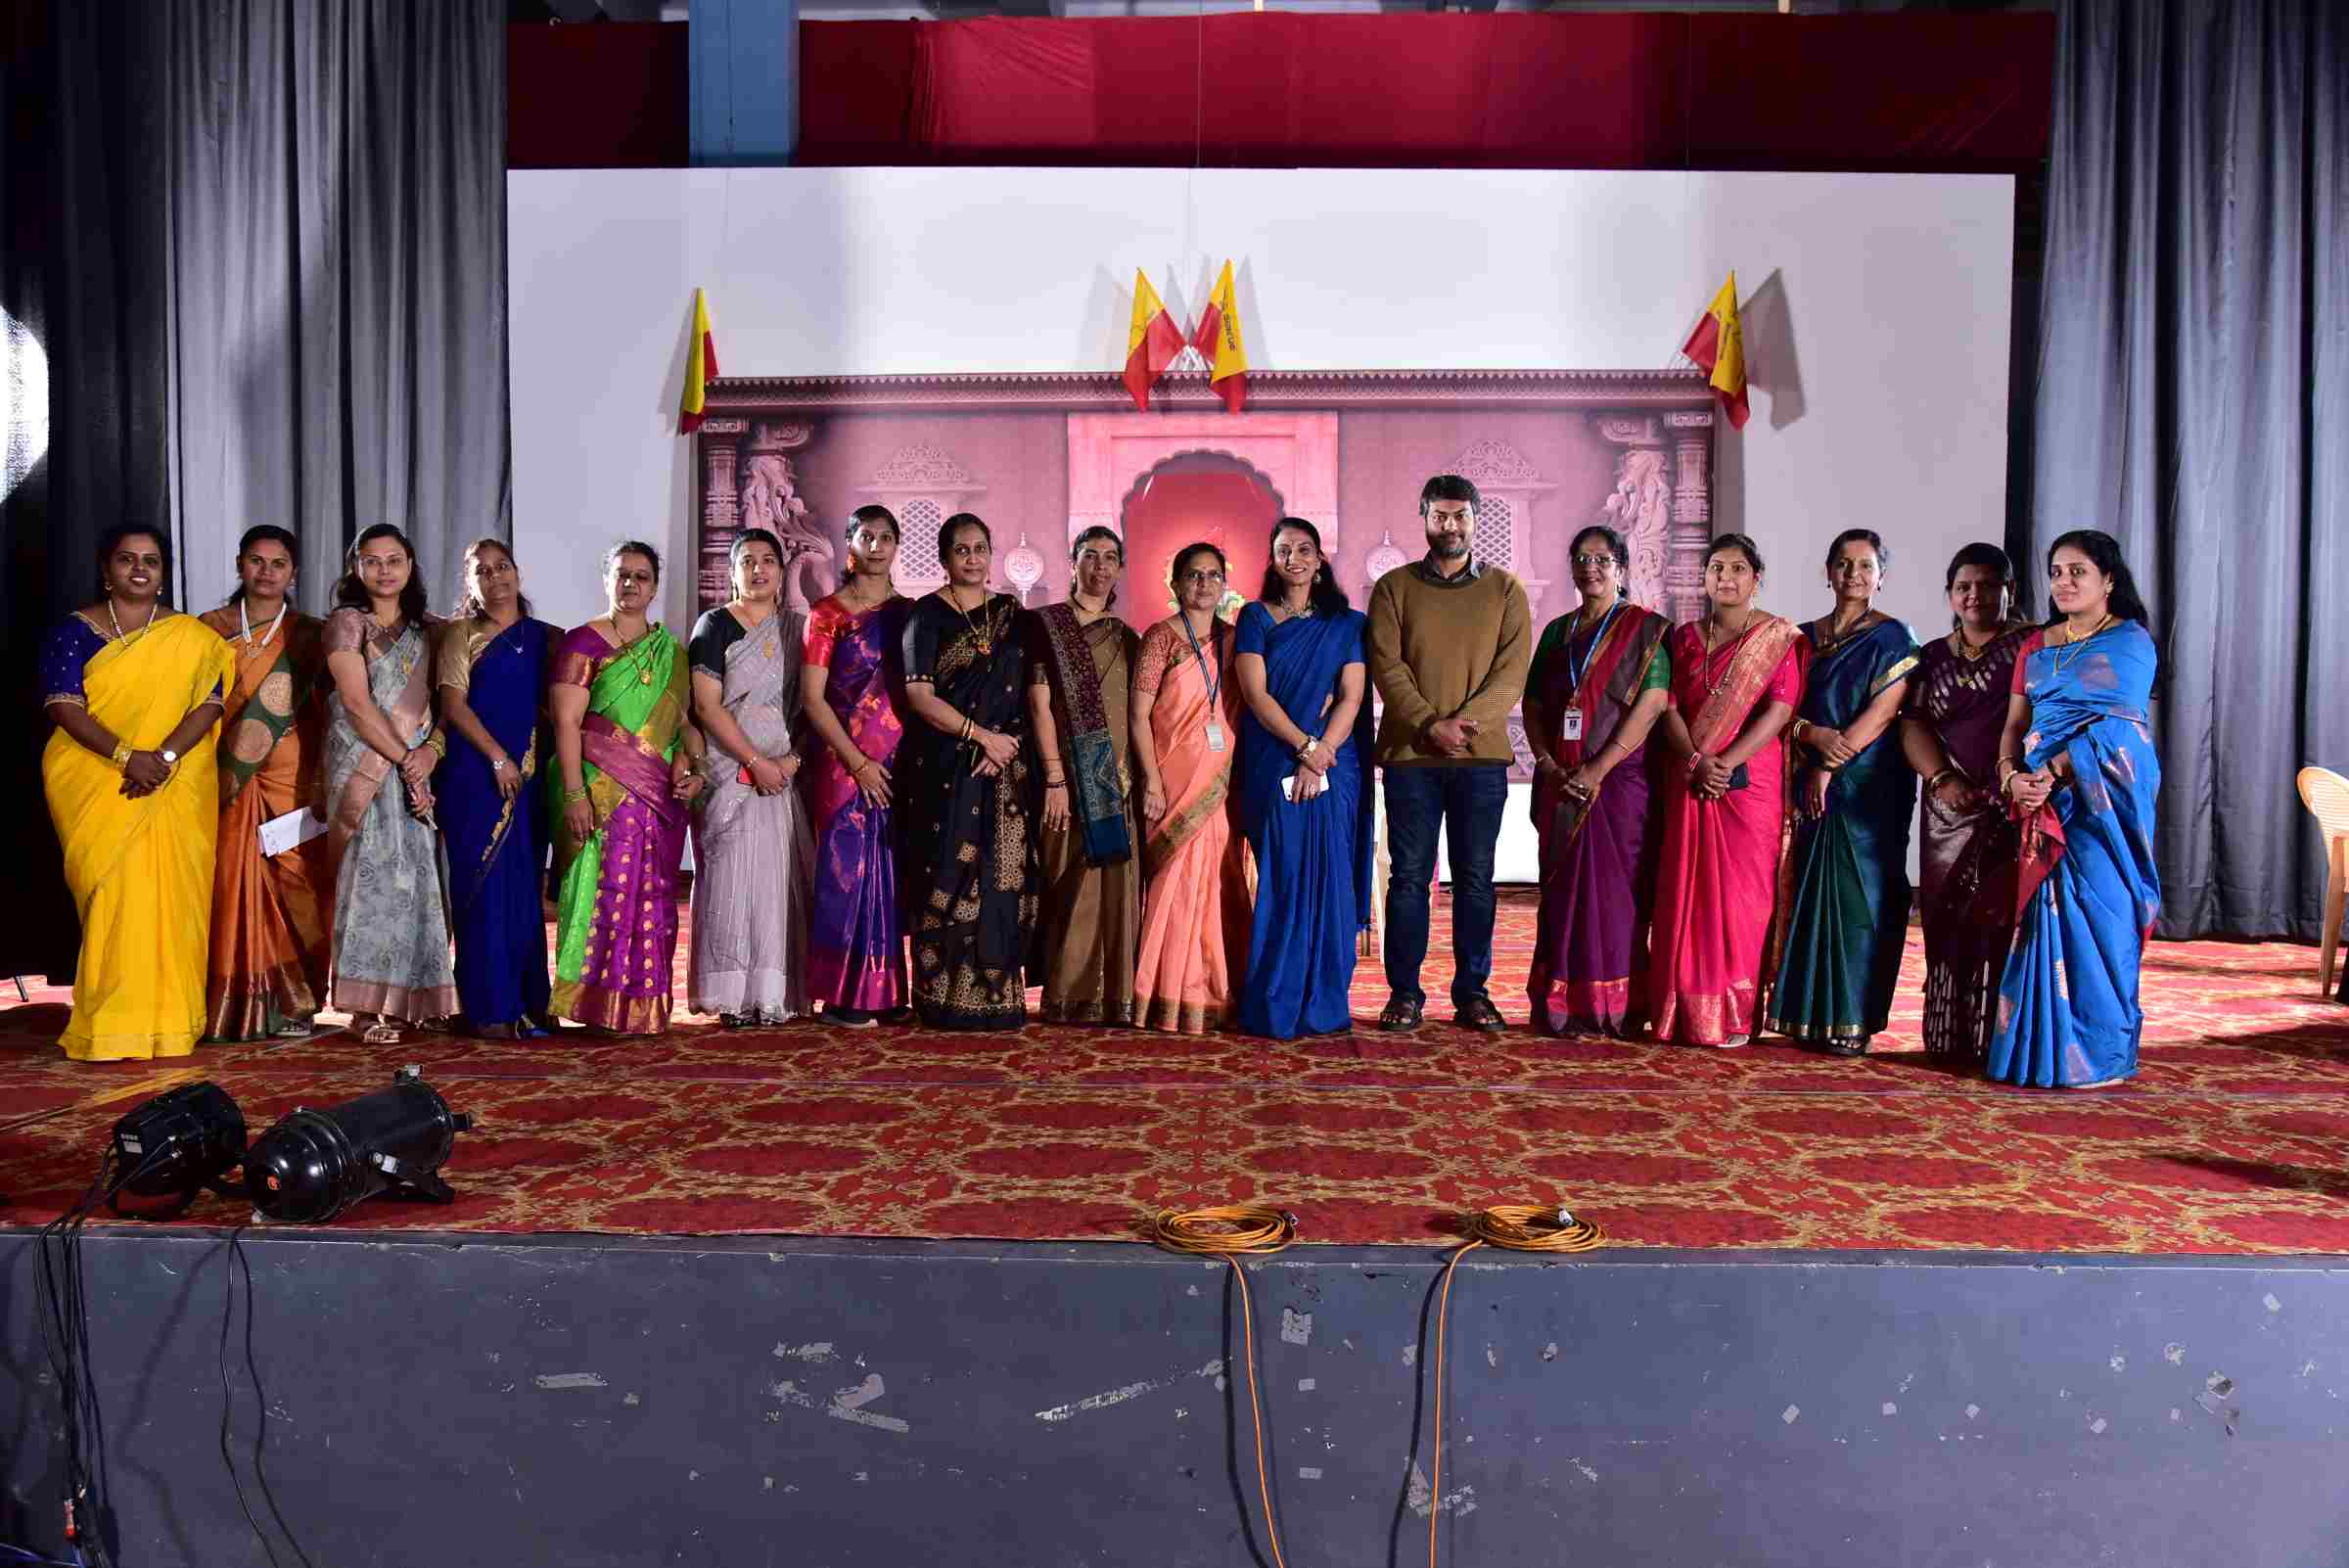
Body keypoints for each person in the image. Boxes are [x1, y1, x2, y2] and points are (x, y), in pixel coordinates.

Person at [39, 525, 233, 1061]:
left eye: (151, 560)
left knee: (173, 902)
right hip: (95, 776)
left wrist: (163, 759)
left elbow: (210, 703)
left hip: (176, 780)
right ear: (107, 570)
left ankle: (171, 1025)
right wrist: (128, 757)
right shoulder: (74, 631)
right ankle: (109, 1026)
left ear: (164, 572)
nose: (140, 568)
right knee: (113, 901)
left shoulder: (191, 638)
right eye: (127, 559)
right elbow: (64, 705)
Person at [1987, 530, 2163, 1088]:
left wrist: (2059, 769)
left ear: (2108, 580)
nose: (2064, 582)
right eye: (2057, 572)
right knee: (2044, 919)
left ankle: (2100, 1054)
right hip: (2040, 801)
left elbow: (2122, 730)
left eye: (2078, 571)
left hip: (2102, 804)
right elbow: (2014, 726)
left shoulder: (2131, 643)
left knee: (2103, 920)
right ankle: (2039, 1052)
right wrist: (2011, 776)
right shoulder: (2036, 646)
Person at [1364, 475, 1532, 1034]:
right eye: (1440, 516)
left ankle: (1473, 994)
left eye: (1460, 516)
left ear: (1476, 520)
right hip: (1411, 759)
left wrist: (1465, 726)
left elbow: (1510, 674)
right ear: (1425, 519)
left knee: (1477, 879)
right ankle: (1404, 994)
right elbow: (1387, 666)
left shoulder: (1505, 591)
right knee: (1409, 878)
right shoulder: (1392, 589)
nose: (1451, 525)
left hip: (1479, 761)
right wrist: (1429, 725)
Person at [1765, 530, 1922, 1055]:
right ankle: (1807, 1016)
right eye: (1844, 563)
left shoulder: (1894, 638)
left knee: (1861, 900)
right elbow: (1785, 711)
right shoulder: (1803, 639)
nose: (1854, 574)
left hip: (1868, 788)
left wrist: (1830, 765)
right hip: (1811, 779)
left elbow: (1884, 711)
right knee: (1811, 895)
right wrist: (1812, 739)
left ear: (1882, 576)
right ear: (1828, 572)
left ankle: (1853, 1020)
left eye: (1865, 565)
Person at [1647, 534, 1805, 1047]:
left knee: (1743, 899)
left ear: (1757, 578)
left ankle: (1733, 1015)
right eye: (1717, 567)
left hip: (1747, 785)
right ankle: (1682, 1012)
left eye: (1738, 568)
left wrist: (1725, 762)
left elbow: (1780, 710)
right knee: (1685, 891)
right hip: (1689, 775)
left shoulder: (1778, 637)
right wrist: (1695, 760)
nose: (1726, 578)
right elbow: (1667, 705)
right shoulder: (1683, 638)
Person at [549, 540, 707, 1035]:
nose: (631, 584)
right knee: (601, 893)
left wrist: (695, 766)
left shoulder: (672, 654)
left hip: (657, 798)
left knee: (651, 897)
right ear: (607, 580)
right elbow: (566, 723)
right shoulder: (582, 643)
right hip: (600, 792)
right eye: (622, 574)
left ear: (654, 587)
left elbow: (685, 726)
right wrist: (574, 794)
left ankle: (640, 1009)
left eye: (641, 576)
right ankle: (594, 1006)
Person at [1521, 525, 1672, 1037]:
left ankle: (1615, 1007)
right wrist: (1546, 762)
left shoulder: (1645, 631)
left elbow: (1653, 703)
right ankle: (1561, 1004)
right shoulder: (1557, 632)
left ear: (1621, 569)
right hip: (1560, 783)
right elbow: (1534, 703)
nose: (1591, 568)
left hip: (1617, 786)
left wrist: (1598, 768)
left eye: (1602, 560)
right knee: (1562, 896)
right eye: (1582, 559)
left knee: (1613, 897)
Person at [896, 513, 1039, 1030]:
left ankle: (998, 997)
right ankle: (941, 996)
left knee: (1001, 879)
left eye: (980, 548)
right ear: (944, 557)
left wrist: (1007, 744)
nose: (973, 559)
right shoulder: (925, 615)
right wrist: (981, 736)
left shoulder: (1013, 616)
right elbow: (919, 696)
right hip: (945, 768)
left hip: (1004, 769)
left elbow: (1030, 696)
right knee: (946, 872)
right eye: (962, 550)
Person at [1233, 518, 1373, 1039]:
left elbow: (1352, 697)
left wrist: (1322, 753)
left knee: (1331, 879)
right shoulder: (1254, 617)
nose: (1294, 558)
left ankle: (1324, 1002)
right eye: (1283, 550)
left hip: (1336, 764)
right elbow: (1255, 695)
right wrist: (1304, 749)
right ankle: (1276, 1000)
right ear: (1272, 560)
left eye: (1304, 549)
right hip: (1273, 760)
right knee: (1286, 878)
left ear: (1319, 561)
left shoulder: (1347, 624)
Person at [1899, 543, 2037, 1062]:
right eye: (1964, 587)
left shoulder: (2033, 647)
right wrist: (1940, 780)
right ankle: (1950, 1041)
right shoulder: (1933, 655)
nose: (1975, 595)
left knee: (2001, 922)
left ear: (2010, 591)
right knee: (1947, 919)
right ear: (1951, 594)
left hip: (2012, 805)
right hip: (1947, 809)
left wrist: (2013, 781)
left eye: (1987, 585)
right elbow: (1912, 724)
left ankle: (2000, 1043)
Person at [321, 524, 458, 1040]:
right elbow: (356, 704)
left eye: (394, 560)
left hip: (417, 771)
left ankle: (414, 1001)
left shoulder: (431, 630)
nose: (384, 570)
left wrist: (429, 754)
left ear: (410, 565)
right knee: (369, 881)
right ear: (356, 567)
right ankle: (363, 1009)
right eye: (372, 561)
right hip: (365, 768)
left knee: (418, 881)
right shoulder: (346, 623)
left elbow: (449, 705)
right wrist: (406, 761)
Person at [197, 525, 330, 1041]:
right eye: (257, 561)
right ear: (240, 565)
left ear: (293, 573)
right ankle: (227, 1007)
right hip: (228, 777)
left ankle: (296, 1003)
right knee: (227, 884)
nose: (267, 572)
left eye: (278, 564)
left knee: (299, 887)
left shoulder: (311, 635)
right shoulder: (208, 629)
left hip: (294, 779)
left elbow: (329, 713)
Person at [688, 529, 814, 1028]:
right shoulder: (714, 625)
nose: (758, 569)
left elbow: (812, 708)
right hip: (730, 770)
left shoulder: (798, 629)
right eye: (747, 561)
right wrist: (753, 762)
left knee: (773, 881)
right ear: (732, 571)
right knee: (730, 879)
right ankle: (732, 997)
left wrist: (789, 762)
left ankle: (770, 994)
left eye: (768, 561)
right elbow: (705, 706)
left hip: (783, 772)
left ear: (781, 572)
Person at [434, 537, 557, 1038]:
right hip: (474, 777)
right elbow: (454, 706)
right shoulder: (460, 634)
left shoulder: (546, 638)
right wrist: (498, 758)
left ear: (517, 572)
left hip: (529, 781)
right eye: (482, 571)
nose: (495, 576)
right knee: (481, 891)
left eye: (501, 566)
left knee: (523, 892)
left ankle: (528, 1003)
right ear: (470, 583)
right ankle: (487, 1007)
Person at [1130, 542, 1253, 1035]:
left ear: (1224, 584)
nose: (1204, 584)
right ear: (1176, 584)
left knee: (1218, 881)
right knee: (1175, 885)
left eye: (1212, 575)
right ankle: (1165, 993)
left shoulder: (1236, 640)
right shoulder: (1160, 638)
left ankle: (1217, 990)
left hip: (1221, 781)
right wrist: (1151, 781)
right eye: (1193, 576)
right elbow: (1139, 716)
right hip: (1173, 780)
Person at [1028, 527, 1142, 1025]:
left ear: (1120, 568)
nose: (1100, 566)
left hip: (1118, 782)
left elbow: (1137, 716)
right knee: (1070, 882)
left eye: (1110, 557)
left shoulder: (1127, 638)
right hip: (1067, 779)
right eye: (1090, 556)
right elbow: (1039, 705)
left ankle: (1115, 995)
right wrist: (1055, 777)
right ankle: (1067, 993)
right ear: (1072, 562)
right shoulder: (1046, 626)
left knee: (1115, 886)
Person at [800, 506, 910, 1027]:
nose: (878, 546)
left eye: (887, 537)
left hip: (897, 761)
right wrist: (858, 761)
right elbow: (812, 699)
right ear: (850, 544)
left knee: (889, 873)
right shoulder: (826, 615)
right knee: (846, 873)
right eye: (868, 536)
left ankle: (885, 991)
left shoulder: (909, 614)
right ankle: (843, 995)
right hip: (843, 762)